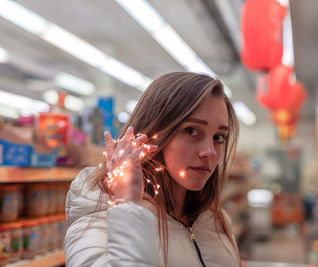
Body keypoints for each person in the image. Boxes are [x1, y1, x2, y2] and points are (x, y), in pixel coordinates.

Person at [64, 72, 241, 267]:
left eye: (219, 137)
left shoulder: (216, 219)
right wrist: (128, 206)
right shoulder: (99, 214)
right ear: (153, 131)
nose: (210, 152)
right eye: (192, 131)